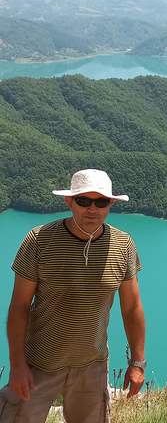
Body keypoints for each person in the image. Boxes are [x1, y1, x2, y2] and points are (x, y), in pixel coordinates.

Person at [0, 169, 146, 423]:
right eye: (83, 201)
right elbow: (19, 307)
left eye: (101, 202)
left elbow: (132, 307)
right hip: (40, 364)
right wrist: (17, 364)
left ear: (110, 204)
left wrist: (138, 362)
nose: (92, 209)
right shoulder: (39, 240)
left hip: (92, 365)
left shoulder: (123, 245)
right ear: (69, 201)